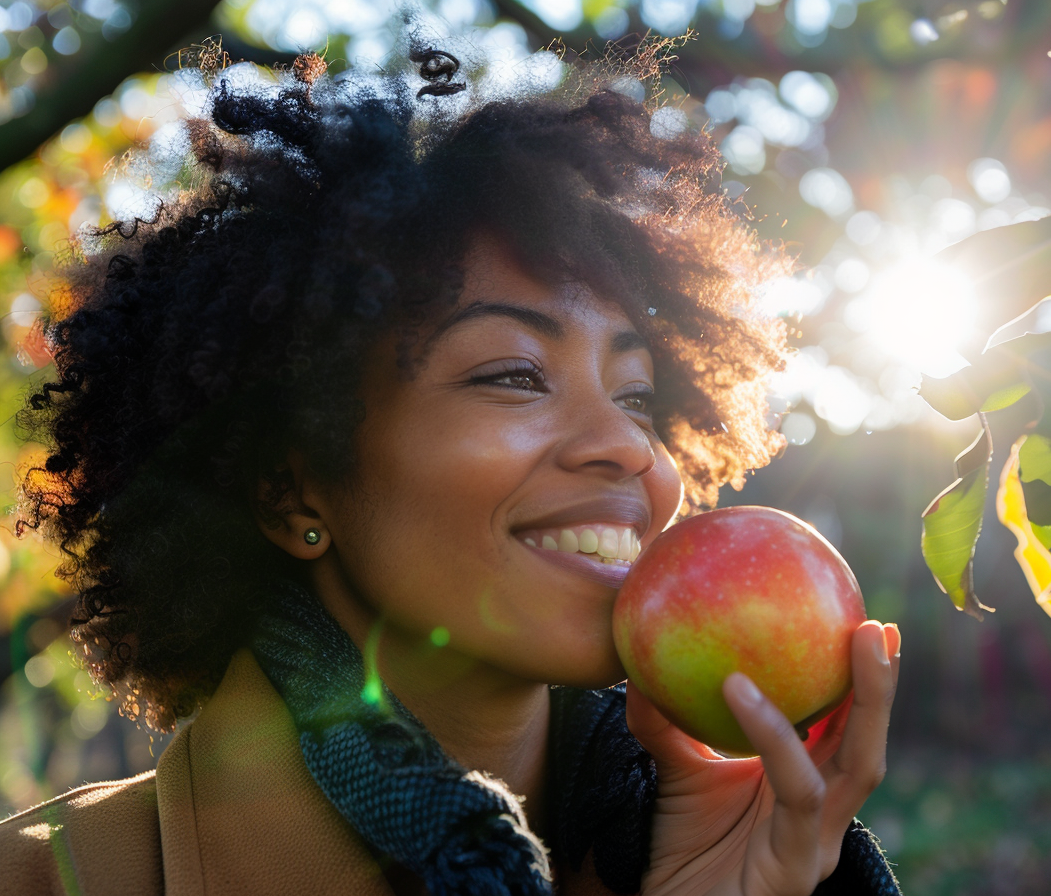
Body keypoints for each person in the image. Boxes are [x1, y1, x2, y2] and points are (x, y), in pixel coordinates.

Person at [0, 37, 902, 896]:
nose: (629, 446)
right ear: (290, 489)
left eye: (635, 395)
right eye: (514, 375)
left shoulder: (745, 855)